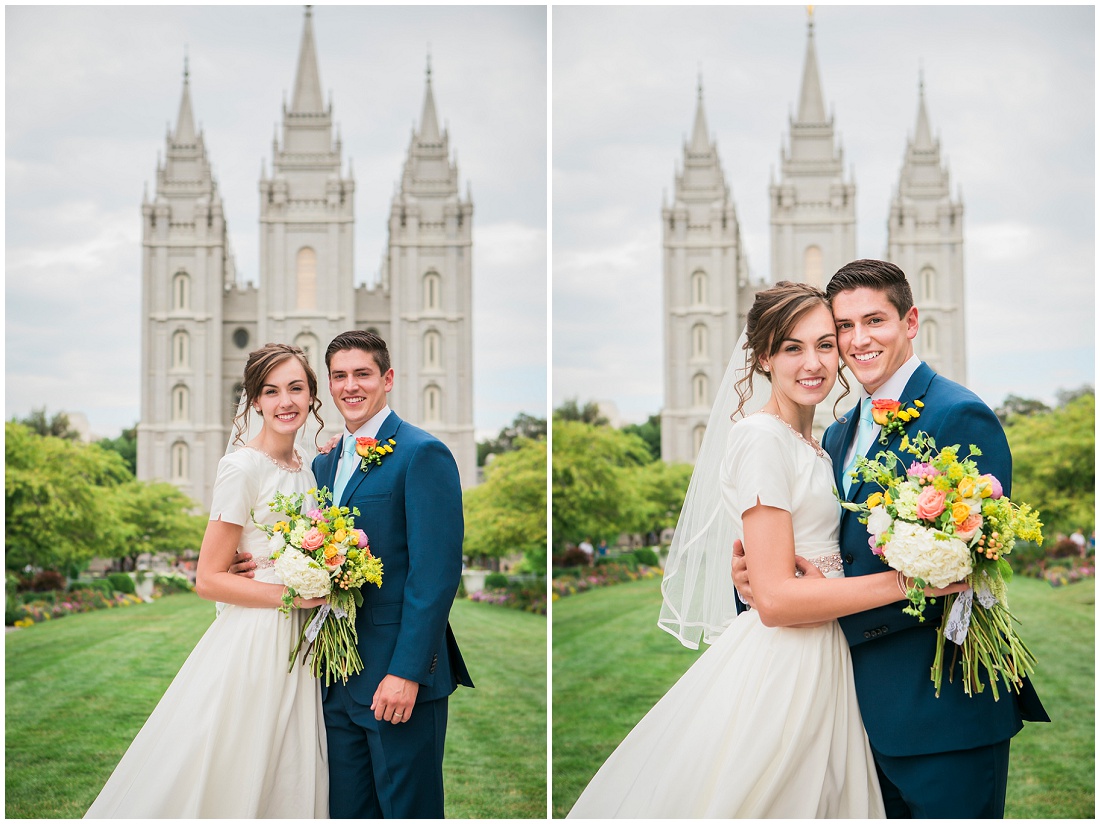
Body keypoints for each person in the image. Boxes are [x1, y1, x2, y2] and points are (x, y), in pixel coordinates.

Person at [567, 282, 964, 818]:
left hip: (832, 654)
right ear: (762, 358)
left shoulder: (823, 444)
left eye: (826, 344)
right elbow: (775, 601)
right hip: (789, 660)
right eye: (792, 348)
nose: (814, 363)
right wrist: (916, 580)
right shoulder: (760, 438)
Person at [733, 260, 1049, 818]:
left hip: (940, 712)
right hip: (843, 709)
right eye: (844, 328)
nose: (859, 340)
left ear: (910, 322)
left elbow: (969, 562)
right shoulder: (835, 431)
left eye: (873, 320)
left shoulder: (959, 414)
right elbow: (826, 544)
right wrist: (757, 579)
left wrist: (805, 596)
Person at [234, 329, 473, 818]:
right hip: (332, 679)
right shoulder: (323, 464)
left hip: (394, 681)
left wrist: (406, 672)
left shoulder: (420, 453)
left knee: (408, 811)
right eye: (339, 376)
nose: (350, 386)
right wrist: (256, 564)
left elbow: (436, 574)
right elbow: (304, 543)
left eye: (362, 374)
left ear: (386, 378)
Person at [85, 343, 330, 817]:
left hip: (305, 640)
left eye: (296, 388)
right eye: (271, 390)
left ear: (311, 395)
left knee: (291, 760)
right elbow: (209, 579)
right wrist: (293, 593)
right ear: (254, 400)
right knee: (241, 756)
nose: (285, 401)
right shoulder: (241, 466)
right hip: (259, 637)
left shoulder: (310, 468)